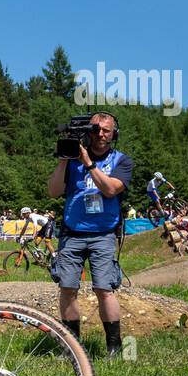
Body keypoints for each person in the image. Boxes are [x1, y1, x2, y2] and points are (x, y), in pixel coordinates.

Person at [46, 111, 132, 358]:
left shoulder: (121, 161)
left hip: (103, 234)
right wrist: (64, 158)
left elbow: (110, 189)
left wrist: (89, 164)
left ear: (114, 133)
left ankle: (114, 347)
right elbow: (53, 191)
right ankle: (72, 347)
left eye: (106, 130)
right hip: (72, 234)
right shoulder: (72, 160)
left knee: (104, 289)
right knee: (67, 287)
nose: (100, 135)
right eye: (95, 129)